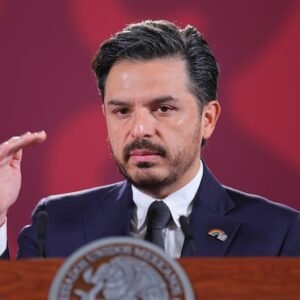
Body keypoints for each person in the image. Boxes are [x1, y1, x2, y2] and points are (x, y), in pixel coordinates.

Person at [1, 20, 300, 259]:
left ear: (207, 119)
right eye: (122, 110)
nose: (140, 129)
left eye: (163, 109)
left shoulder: (280, 233)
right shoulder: (54, 222)